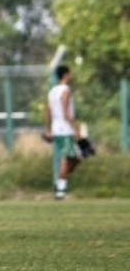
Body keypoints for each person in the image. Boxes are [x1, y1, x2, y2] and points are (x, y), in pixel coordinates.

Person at [46, 65, 81, 200]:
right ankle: (60, 190)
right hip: (65, 129)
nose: (72, 76)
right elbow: (66, 113)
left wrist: (49, 130)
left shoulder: (52, 91)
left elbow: (48, 112)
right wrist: (76, 129)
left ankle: (61, 183)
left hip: (57, 129)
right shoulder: (65, 90)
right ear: (66, 75)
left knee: (74, 158)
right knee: (69, 159)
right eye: (70, 73)